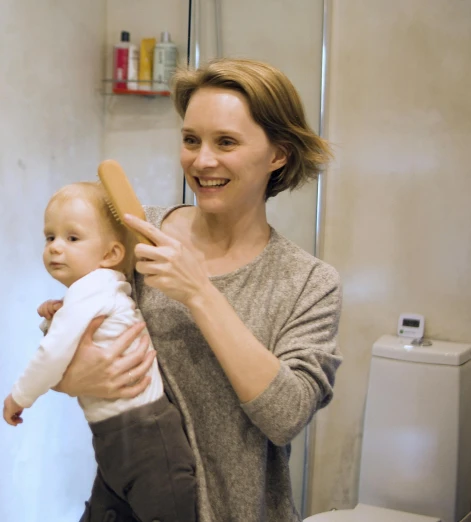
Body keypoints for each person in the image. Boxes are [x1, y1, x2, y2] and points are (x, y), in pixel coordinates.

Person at [50, 58, 343, 522]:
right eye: (191, 140)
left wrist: (199, 293)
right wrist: (73, 374)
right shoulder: (134, 234)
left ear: (278, 154)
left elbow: (286, 417)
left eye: (225, 142)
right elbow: (69, 342)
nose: (201, 160)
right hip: (124, 506)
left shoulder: (307, 282)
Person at [2, 182, 196, 522]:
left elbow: (53, 355)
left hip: (144, 436)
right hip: (118, 435)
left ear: (111, 255)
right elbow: (84, 338)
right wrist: (58, 316)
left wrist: (19, 397)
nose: (56, 248)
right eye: (50, 237)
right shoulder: (100, 288)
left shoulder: (90, 291)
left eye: (72, 238)